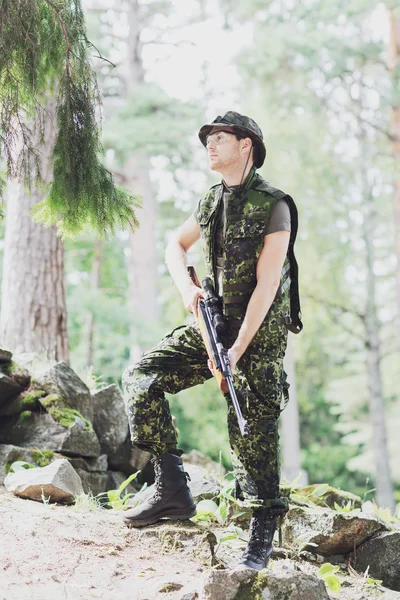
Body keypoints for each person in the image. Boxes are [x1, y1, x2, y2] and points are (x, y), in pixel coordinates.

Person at [122, 111, 303, 571]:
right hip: (214, 323)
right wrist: (188, 290)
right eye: (208, 140)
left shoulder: (274, 204)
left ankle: (262, 530)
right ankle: (172, 490)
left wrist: (236, 352)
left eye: (220, 139)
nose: (210, 145)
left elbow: (267, 287)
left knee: (251, 427)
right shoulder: (210, 202)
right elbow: (174, 245)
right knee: (142, 376)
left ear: (247, 146)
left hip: (258, 334)